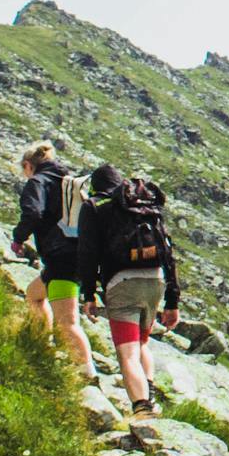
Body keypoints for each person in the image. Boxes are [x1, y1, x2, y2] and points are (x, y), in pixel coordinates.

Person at [75, 163, 179, 420]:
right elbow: (168, 251)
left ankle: (143, 408)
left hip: (122, 285)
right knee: (142, 342)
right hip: (155, 280)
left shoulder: (94, 207)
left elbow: (87, 253)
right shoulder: (143, 206)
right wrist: (172, 301)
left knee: (127, 351)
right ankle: (149, 389)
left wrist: (88, 294)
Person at [8, 141, 91, 374]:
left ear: (28, 165)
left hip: (62, 258)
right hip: (79, 256)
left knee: (68, 322)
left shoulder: (37, 182)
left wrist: (18, 238)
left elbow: (33, 212)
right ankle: (41, 345)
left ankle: (88, 374)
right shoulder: (69, 183)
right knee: (34, 294)